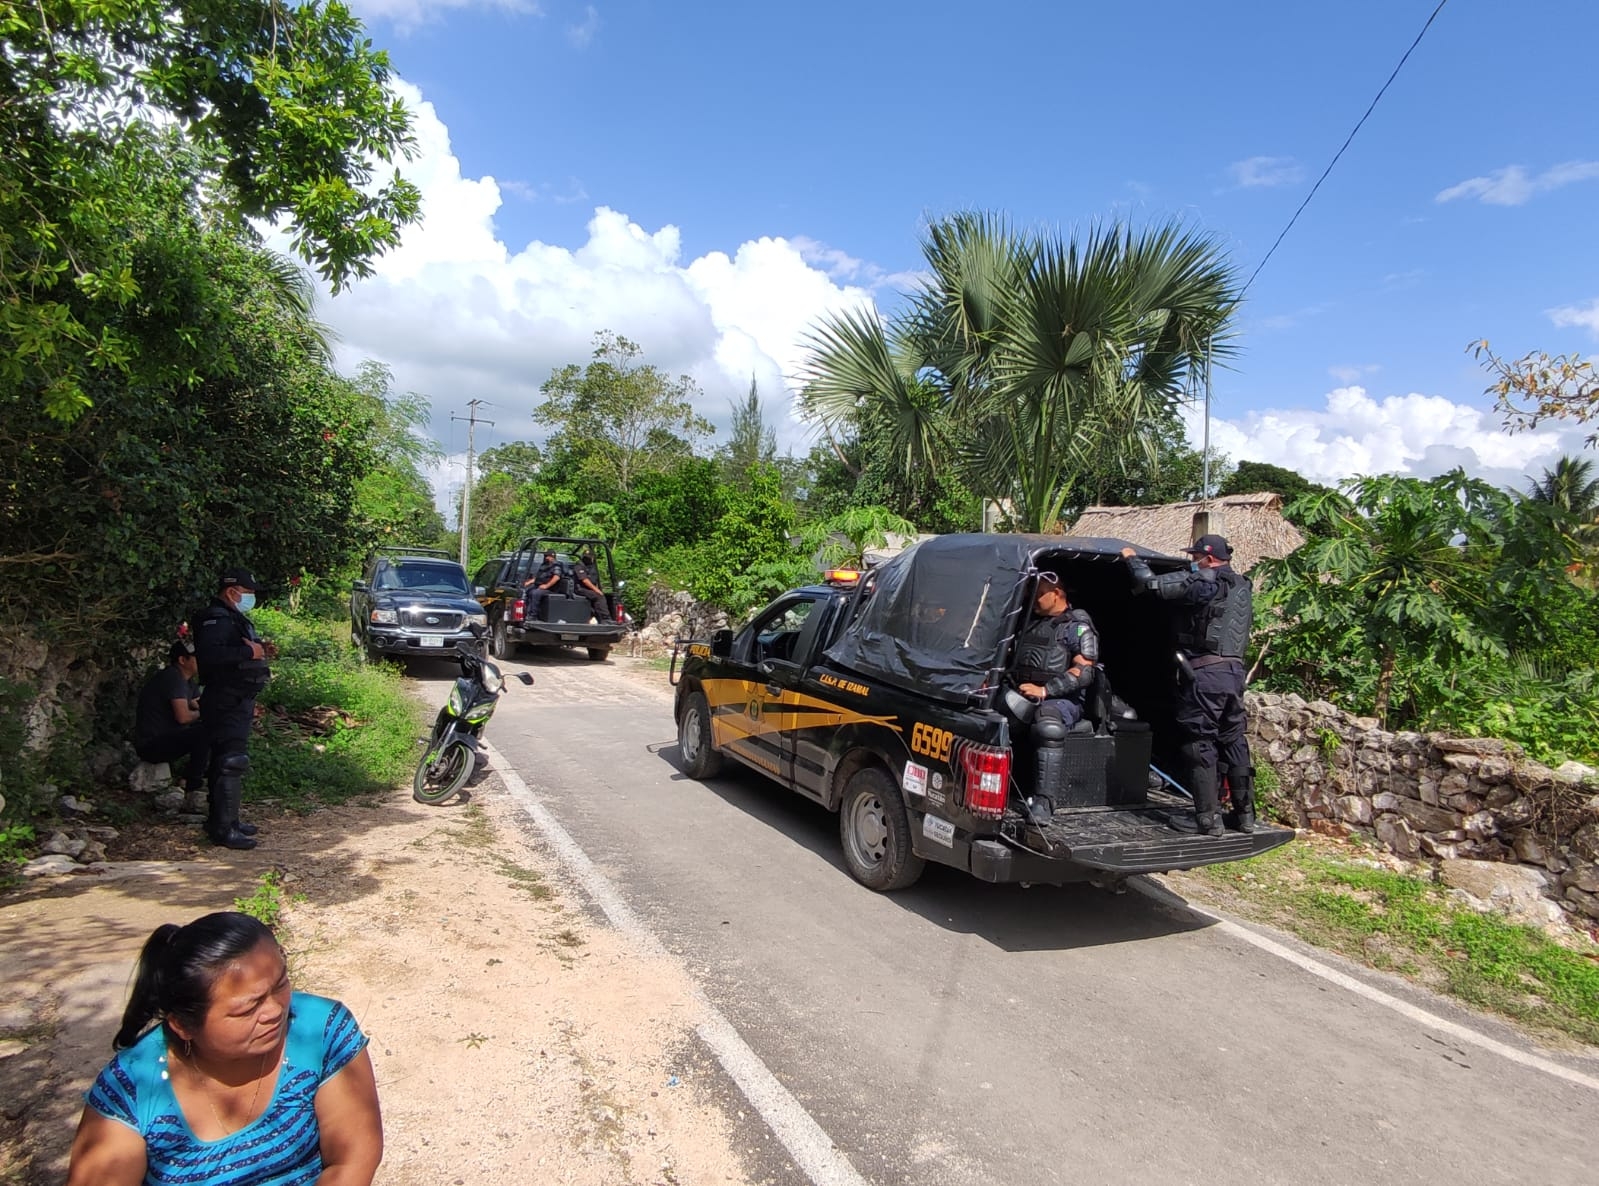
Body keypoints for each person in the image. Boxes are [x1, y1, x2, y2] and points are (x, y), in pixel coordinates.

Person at [65, 911, 383, 1186]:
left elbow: (352, 1159)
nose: (275, 1010)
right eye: (248, 1008)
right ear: (182, 1025)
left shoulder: (321, 1031)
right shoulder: (131, 1091)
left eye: (280, 984)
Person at [1121, 535, 1256, 836]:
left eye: (1195, 556)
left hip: (1207, 675)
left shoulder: (1204, 582)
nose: (1192, 561)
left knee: (1200, 742)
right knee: (1234, 740)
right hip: (1234, 674)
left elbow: (1152, 585)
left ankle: (1207, 819)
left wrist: (1132, 559)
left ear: (1208, 558)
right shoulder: (1242, 586)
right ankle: (1245, 815)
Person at [192, 568, 276, 850]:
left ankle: (228, 820)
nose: (250, 597)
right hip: (224, 699)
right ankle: (222, 829)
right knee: (229, 762)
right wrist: (249, 652)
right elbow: (211, 655)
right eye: (248, 592)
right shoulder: (214, 618)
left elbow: (236, 653)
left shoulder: (232, 618)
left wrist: (259, 650)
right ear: (232, 591)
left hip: (238, 698)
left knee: (229, 762)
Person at [1010, 571, 1100, 824]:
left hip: (1062, 700)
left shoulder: (1077, 626)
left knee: (1047, 723)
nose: (1034, 600)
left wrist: (1045, 691)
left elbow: (1083, 672)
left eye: (1039, 595)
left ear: (1057, 594)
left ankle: (1043, 802)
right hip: (1020, 690)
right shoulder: (1027, 622)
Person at [134, 641, 210, 794]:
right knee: (204, 732)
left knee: (215, 727)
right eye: (197, 657)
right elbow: (183, 717)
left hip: (166, 739)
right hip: (152, 744)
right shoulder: (173, 678)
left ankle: (202, 776)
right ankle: (192, 784)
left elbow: (202, 705)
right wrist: (208, 713)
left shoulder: (187, 682)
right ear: (183, 660)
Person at [521, 550, 565, 621]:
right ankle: (527, 612)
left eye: (547, 556)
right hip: (540, 586)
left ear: (552, 557)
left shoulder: (556, 565)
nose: (545, 557)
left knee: (535, 593)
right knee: (529, 590)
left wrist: (546, 586)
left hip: (551, 589)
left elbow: (556, 577)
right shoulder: (545, 565)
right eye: (545, 556)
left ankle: (533, 615)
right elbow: (539, 577)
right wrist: (529, 582)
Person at [570, 552, 608, 622]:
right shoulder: (579, 565)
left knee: (606, 595)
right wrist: (596, 590)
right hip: (580, 589)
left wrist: (598, 588)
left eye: (590, 557)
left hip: (588, 589)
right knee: (598, 596)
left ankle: (597, 617)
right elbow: (585, 580)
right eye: (587, 557)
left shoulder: (591, 566)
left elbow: (594, 578)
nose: (589, 559)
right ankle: (605, 618)